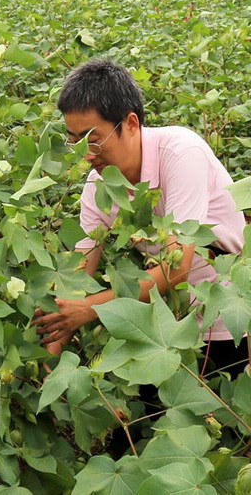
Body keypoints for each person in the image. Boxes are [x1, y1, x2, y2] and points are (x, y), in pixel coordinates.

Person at [33, 58, 247, 375]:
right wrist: (48, 366)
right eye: (75, 141)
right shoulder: (98, 185)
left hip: (226, 318)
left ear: (131, 123)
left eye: (93, 139)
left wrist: (90, 309)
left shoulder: (181, 153)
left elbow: (176, 268)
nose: (84, 155)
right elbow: (77, 276)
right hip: (163, 328)